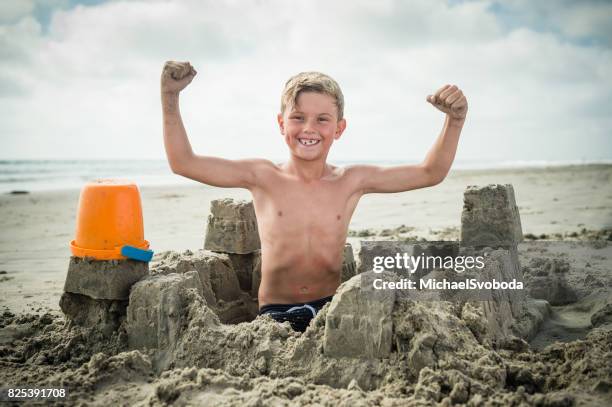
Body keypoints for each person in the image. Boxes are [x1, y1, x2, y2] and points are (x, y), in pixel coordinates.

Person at [161, 61, 468, 332]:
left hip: (331, 309)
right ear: (282, 124)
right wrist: (170, 96)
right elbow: (183, 162)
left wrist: (454, 121)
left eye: (322, 119)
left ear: (339, 128)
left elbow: (430, 172)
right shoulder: (262, 176)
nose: (309, 128)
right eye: (298, 117)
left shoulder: (351, 180)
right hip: (274, 315)